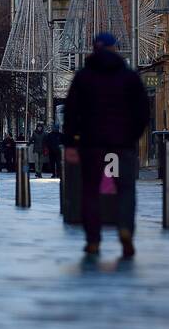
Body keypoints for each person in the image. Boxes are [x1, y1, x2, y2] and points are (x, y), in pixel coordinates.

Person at [63, 32, 150, 257]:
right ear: (115, 48)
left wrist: (71, 143)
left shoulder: (83, 77)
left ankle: (93, 239)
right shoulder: (129, 76)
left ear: (94, 49)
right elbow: (142, 112)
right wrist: (132, 136)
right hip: (122, 144)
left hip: (92, 144)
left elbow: (71, 112)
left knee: (90, 191)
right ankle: (124, 229)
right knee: (125, 189)